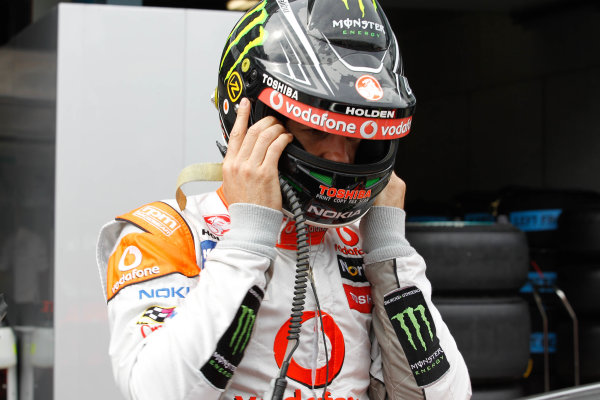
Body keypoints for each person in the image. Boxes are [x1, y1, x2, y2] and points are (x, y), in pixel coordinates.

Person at [96, 0, 472, 399]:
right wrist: (248, 242)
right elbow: (158, 393)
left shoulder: (364, 244)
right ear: (254, 118)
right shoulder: (165, 234)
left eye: (355, 133)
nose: (339, 157)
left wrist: (389, 253)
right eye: (317, 129)